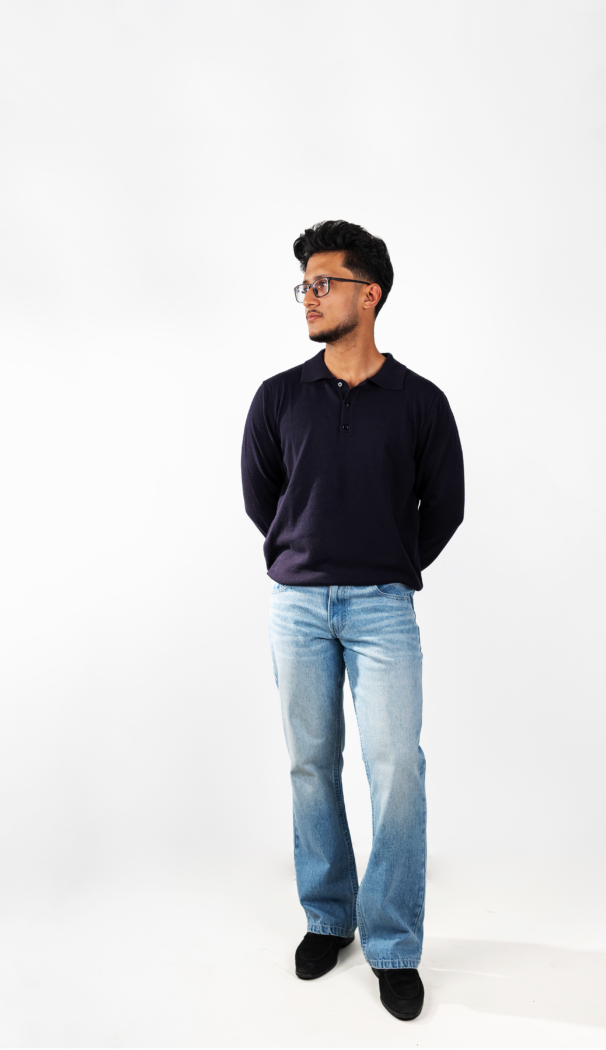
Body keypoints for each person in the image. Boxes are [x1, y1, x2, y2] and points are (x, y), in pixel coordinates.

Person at [241, 220, 464, 1021]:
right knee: (311, 763)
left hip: (383, 610)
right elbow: (262, 499)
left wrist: (384, 562)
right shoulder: (278, 398)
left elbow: (446, 507)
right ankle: (329, 917)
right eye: (303, 284)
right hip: (297, 607)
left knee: (397, 767)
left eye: (323, 283)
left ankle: (394, 945)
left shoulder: (421, 403)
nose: (308, 297)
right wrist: (307, 558)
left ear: (369, 295)